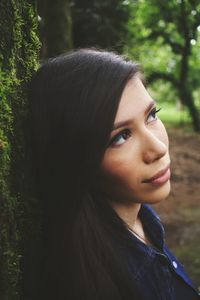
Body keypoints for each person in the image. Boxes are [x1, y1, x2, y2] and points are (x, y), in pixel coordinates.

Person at [28, 48, 199, 300]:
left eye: (151, 115)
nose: (159, 149)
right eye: (121, 136)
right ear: (76, 158)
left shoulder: (142, 220)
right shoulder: (95, 283)